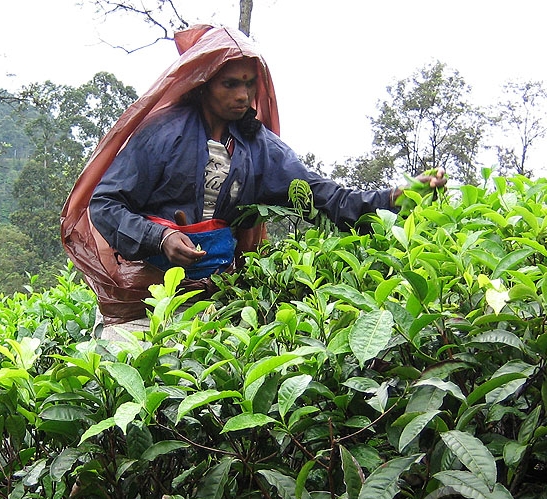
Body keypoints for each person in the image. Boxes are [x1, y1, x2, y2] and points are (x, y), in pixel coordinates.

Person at [60, 25, 445, 338]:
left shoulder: (258, 148)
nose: (243, 95)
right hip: (145, 299)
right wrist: (160, 237)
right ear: (204, 83)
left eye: (248, 83)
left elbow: (318, 194)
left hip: (212, 301)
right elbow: (105, 205)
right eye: (230, 84)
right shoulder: (161, 133)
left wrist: (396, 196)